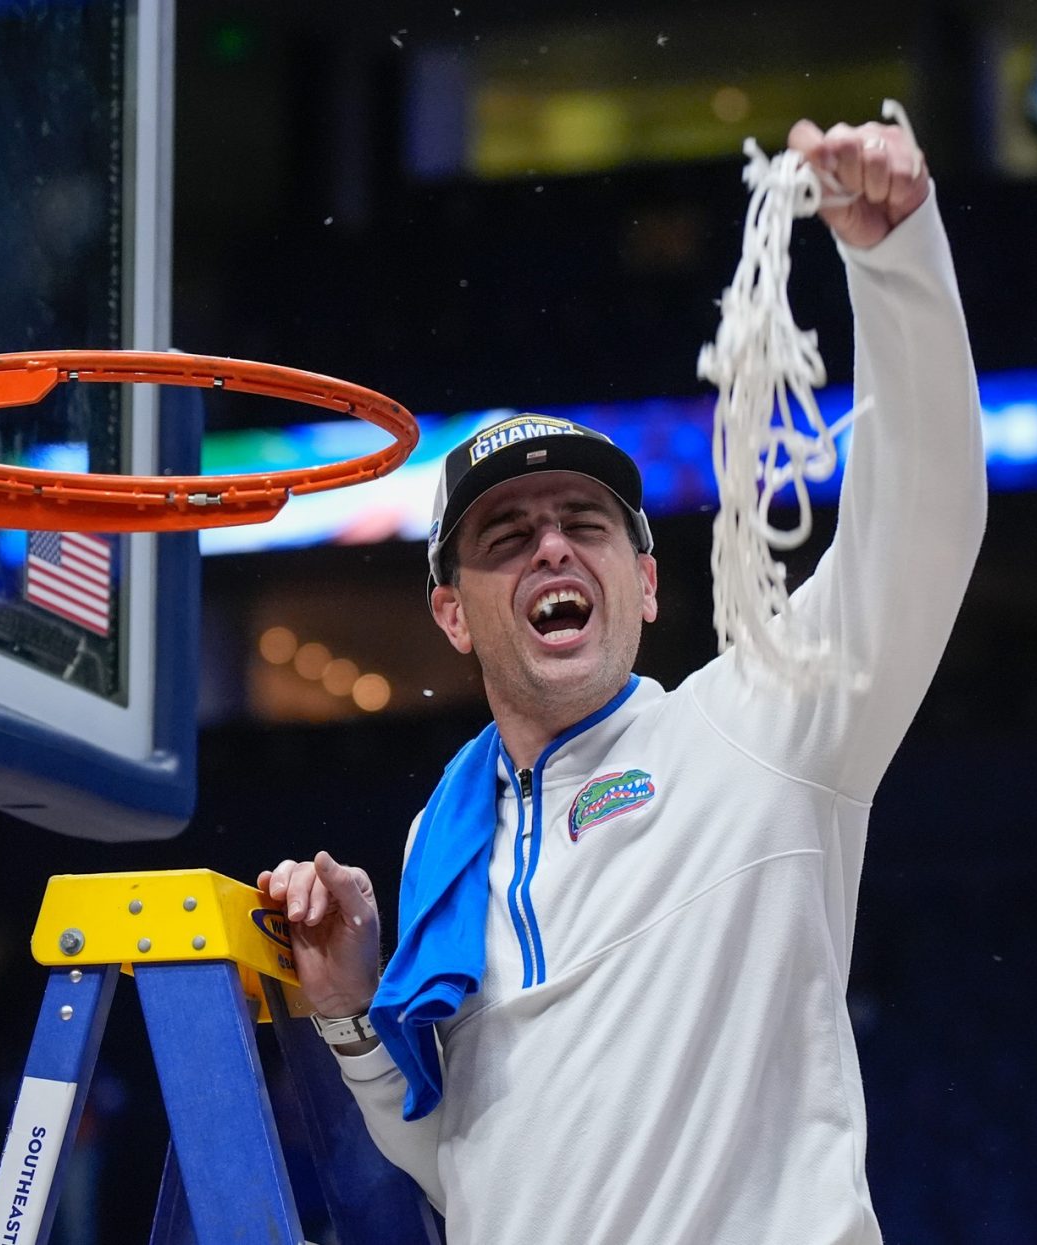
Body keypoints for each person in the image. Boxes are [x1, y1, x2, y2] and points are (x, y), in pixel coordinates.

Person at [259, 115, 986, 1244]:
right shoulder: (445, 840)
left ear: (646, 584)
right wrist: (352, 1013)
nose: (552, 547)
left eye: (584, 524)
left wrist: (895, 267)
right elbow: (469, 1169)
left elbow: (927, 521)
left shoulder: (761, 726)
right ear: (452, 613)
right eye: (507, 535)